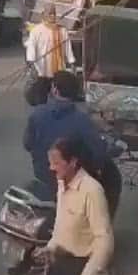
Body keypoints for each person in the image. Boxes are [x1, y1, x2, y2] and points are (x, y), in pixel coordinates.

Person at [41, 136, 114, 275]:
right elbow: (61, 222)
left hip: (80, 268)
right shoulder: (62, 183)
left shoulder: (92, 191)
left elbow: (104, 240)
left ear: (73, 162)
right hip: (60, 267)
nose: (52, 168)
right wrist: (50, 247)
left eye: (56, 163)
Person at [23, 72, 110, 204]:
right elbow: (98, 153)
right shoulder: (83, 121)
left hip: (42, 175)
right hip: (71, 179)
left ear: (54, 90)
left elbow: (27, 144)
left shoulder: (37, 114)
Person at [24, 6, 74, 104]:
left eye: (54, 13)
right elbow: (31, 47)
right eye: (50, 13)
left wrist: (71, 62)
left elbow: (67, 47)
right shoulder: (36, 30)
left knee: (59, 96)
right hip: (42, 70)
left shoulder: (62, 30)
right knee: (42, 97)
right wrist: (31, 62)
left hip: (59, 70)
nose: (52, 15)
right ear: (43, 15)